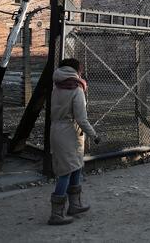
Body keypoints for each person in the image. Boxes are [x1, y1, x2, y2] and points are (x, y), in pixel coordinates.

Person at [48, 58, 100, 226]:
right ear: (75, 71)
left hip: (57, 131)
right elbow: (81, 119)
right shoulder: (76, 90)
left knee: (75, 166)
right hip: (70, 133)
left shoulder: (57, 87)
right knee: (65, 172)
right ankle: (56, 214)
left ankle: (75, 205)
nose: (82, 72)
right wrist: (94, 135)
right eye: (80, 70)